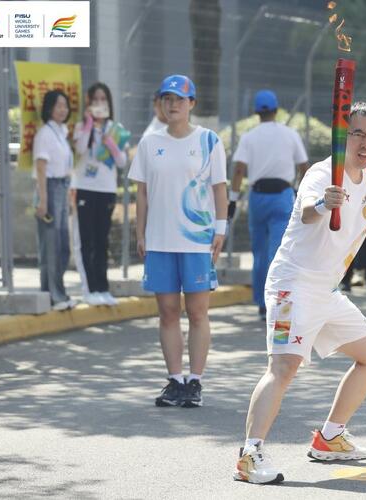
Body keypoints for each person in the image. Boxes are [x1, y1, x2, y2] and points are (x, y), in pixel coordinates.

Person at [234, 102, 366, 485]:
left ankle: (330, 437)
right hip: (293, 284)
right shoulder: (323, 173)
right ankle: (250, 454)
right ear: (343, 135)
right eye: (358, 133)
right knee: (283, 368)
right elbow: (309, 211)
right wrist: (325, 202)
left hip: (326, 291)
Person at [128, 75, 228, 408]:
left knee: (198, 313)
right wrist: (140, 231)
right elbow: (141, 192)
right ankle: (175, 379)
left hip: (197, 239)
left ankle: (195, 381)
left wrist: (221, 228)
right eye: (167, 98)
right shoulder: (149, 143)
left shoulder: (209, 141)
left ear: (192, 104)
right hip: (159, 240)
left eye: (180, 99)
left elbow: (219, 188)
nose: (173, 104)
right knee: (168, 313)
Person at [230, 90, 309, 320]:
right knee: (279, 251)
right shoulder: (290, 134)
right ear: (276, 110)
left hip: (258, 196)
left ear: (256, 112)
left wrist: (233, 200)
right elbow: (305, 167)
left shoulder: (248, 137)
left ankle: (262, 304)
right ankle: (278, 301)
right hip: (283, 195)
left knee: (260, 252)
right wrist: (301, 192)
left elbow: (238, 170)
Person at [72, 82, 130, 307]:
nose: (99, 104)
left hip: (106, 190)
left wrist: (111, 144)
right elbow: (79, 150)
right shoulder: (81, 127)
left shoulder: (116, 128)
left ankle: (103, 287)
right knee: (86, 240)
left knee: (101, 240)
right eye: (95, 100)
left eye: (103, 100)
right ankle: (90, 289)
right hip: (85, 188)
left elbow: (122, 161)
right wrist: (89, 123)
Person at [33, 90, 77, 311]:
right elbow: (41, 167)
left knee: (61, 246)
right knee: (50, 246)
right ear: (49, 107)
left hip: (61, 187)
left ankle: (55, 293)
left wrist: (68, 196)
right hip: (48, 188)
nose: (63, 109)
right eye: (58, 105)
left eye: (65, 105)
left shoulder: (61, 132)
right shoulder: (45, 133)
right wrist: (42, 200)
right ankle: (54, 295)